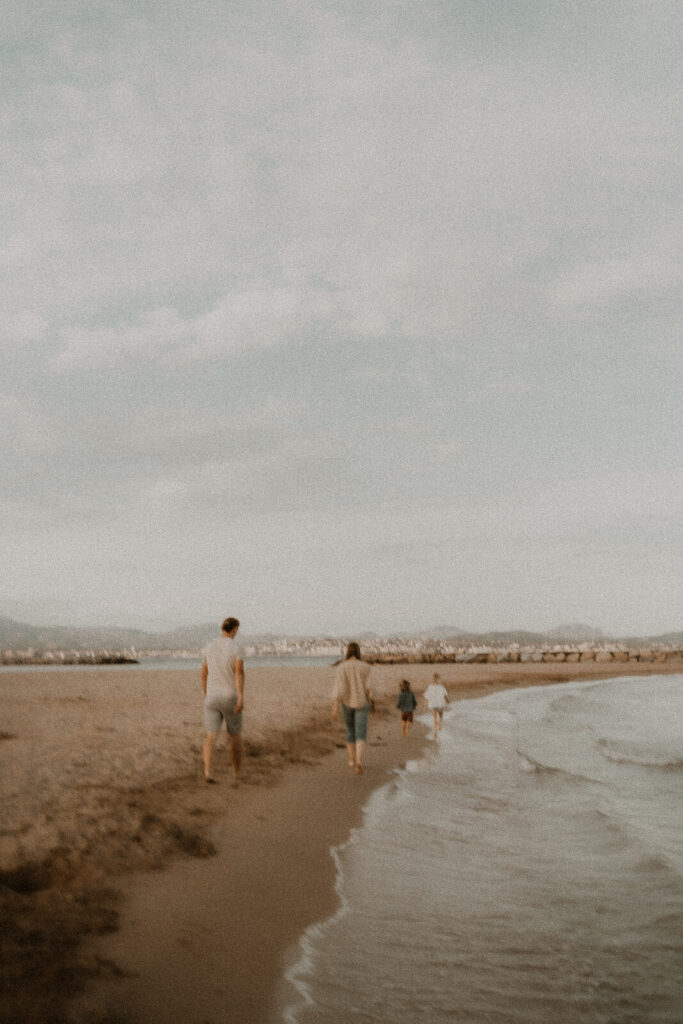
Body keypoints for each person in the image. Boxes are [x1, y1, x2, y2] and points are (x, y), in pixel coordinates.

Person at [201, 616, 244, 785]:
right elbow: (239, 672)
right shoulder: (236, 647)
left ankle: (207, 771)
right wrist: (241, 697)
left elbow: (204, 674)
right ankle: (236, 774)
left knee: (210, 737)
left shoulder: (209, 646)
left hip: (211, 697)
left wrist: (206, 695)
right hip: (229, 696)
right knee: (235, 736)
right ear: (234, 629)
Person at [332, 641, 374, 775]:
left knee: (350, 731)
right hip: (362, 703)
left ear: (348, 652)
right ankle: (359, 762)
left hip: (347, 703)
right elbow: (370, 688)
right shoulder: (366, 667)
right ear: (358, 652)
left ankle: (351, 759)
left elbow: (340, 688)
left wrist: (335, 707)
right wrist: (372, 701)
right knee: (361, 734)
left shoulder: (341, 667)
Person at [423, 672, 448, 738]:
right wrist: (447, 702)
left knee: (434, 718)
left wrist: (425, 706)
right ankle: (439, 724)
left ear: (433, 679)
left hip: (433, 704)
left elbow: (426, 697)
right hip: (440, 704)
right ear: (438, 679)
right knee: (441, 717)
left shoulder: (430, 687)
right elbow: (445, 696)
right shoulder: (441, 687)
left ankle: (435, 732)